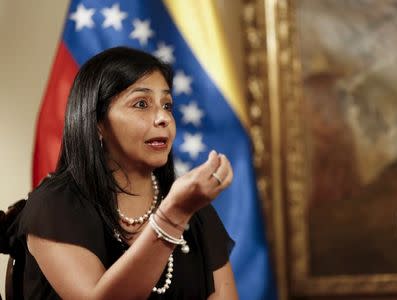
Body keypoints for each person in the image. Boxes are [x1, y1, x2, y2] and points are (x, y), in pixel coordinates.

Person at [16, 46, 238, 299]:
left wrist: (180, 209)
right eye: (141, 104)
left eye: (167, 105)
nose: (163, 118)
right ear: (98, 124)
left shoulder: (194, 210)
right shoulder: (54, 207)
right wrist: (172, 216)